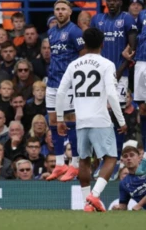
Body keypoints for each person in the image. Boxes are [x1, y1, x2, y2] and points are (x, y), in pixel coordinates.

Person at [56, 28, 126, 212]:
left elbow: (61, 92)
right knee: (111, 158)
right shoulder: (106, 64)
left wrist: (60, 118)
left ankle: (86, 205)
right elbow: (111, 93)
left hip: (81, 121)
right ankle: (93, 196)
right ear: (103, 43)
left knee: (84, 161)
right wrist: (121, 120)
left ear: (84, 44)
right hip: (100, 119)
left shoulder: (74, 65)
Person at [45, 0, 85, 182]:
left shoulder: (75, 31)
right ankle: (60, 163)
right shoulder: (51, 31)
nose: (60, 12)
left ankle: (75, 164)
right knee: (53, 121)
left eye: (63, 9)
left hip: (68, 83)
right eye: (57, 9)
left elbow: (84, 54)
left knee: (70, 121)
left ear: (70, 11)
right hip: (52, 82)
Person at [112, 146, 146, 211]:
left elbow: (138, 207)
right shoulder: (123, 183)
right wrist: (118, 208)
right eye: (125, 156)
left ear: (139, 158)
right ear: (123, 160)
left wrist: (139, 205)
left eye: (132, 155)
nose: (128, 158)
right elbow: (123, 205)